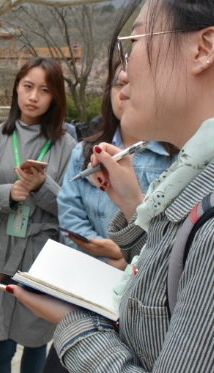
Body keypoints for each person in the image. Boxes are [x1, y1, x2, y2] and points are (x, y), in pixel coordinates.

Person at [10, 0, 214, 373]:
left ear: (204, 49)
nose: (123, 72)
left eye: (138, 40)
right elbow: (183, 281)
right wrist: (133, 207)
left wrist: (74, 322)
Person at [0, 57, 76, 373]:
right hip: (1, 247)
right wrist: (8, 193)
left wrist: (41, 186)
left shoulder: (67, 146)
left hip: (43, 254)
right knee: (0, 343)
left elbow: (72, 209)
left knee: (35, 341)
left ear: (55, 98)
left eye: (44, 90)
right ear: (17, 87)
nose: (33, 97)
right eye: (28, 86)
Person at [58, 62, 176, 269]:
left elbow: (175, 231)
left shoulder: (175, 156)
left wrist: (126, 254)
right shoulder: (85, 152)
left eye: (134, 82)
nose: (125, 91)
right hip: (90, 273)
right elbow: (69, 215)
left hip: (148, 277)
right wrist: (108, 260)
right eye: (118, 84)